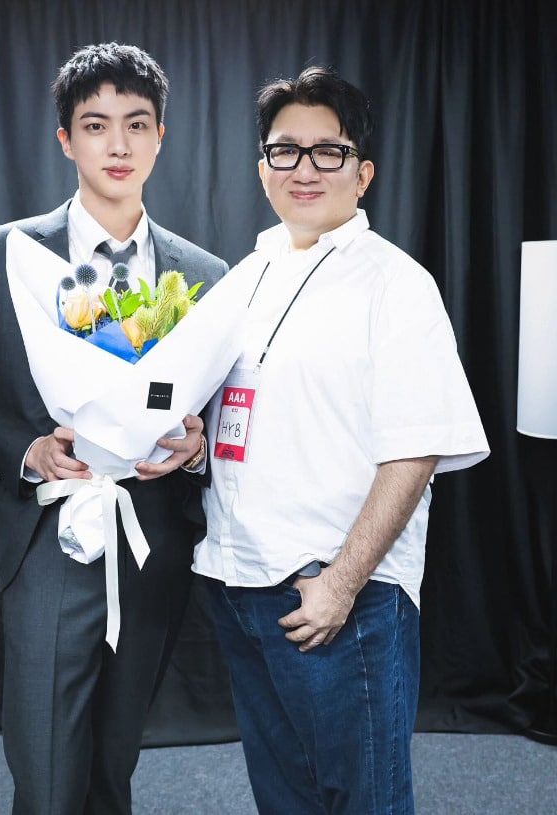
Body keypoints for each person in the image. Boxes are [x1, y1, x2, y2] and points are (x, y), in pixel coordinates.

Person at [0, 42, 227, 815]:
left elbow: (221, 416)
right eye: (96, 126)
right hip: (46, 535)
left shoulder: (205, 275)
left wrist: (193, 446)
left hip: (150, 532)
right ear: (65, 138)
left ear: (162, 135)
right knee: (48, 760)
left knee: (115, 754)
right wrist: (27, 448)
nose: (118, 145)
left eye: (137, 125)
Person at [192, 66, 490, 814]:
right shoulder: (246, 276)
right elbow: (243, 419)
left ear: (362, 174)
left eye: (327, 152)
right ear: (262, 168)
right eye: (284, 150)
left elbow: (416, 450)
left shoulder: (394, 283)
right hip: (239, 580)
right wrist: (187, 445)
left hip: (334, 593)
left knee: (362, 800)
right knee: (284, 795)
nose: (303, 168)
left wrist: (341, 582)